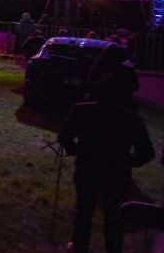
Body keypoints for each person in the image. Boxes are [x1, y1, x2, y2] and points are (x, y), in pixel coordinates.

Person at [59, 74, 154, 253]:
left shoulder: (81, 111)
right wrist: (128, 162)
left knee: (84, 211)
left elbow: (64, 136)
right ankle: (112, 248)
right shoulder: (131, 119)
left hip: (87, 169)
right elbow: (147, 153)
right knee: (114, 216)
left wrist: (75, 150)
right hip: (116, 175)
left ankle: (79, 246)